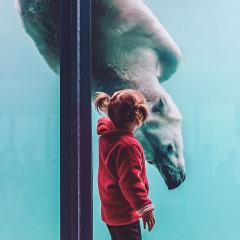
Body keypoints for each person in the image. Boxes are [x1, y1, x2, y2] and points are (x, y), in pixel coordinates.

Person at [95, 89, 155, 240]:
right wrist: (145, 208)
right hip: (125, 212)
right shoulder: (128, 146)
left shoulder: (107, 137)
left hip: (111, 210)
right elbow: (130, 182)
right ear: (138, 115)